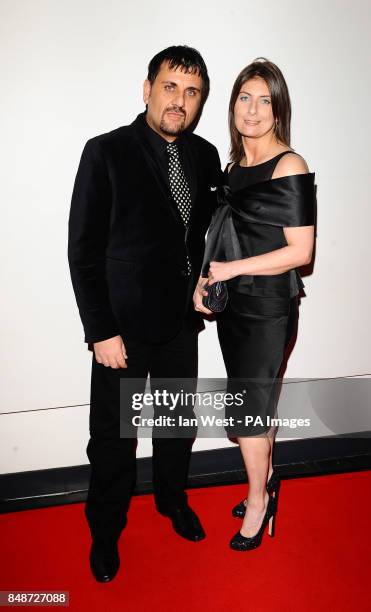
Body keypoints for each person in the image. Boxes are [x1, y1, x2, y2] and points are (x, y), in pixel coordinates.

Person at [68, 45, 222, 581]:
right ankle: (106, 531)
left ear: (200, 100)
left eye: (192, 92)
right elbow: (82, 251)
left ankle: (172, 501)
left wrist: (206, 281)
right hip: (121, 330)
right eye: (170, 87)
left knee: (176, 425)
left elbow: (202, 237)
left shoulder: (204, 157)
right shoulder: (106, 151)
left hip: (181, 322)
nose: (180, 101)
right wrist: (100, 330)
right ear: (147, 89)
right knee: (113, 437)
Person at [194, 58, 315, 551]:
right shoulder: (235, 166)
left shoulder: (289, 165)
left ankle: (258, 500)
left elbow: (300, 252)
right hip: (234, 309)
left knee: (248, 414)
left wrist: (232, 271)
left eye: (266, 100)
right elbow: (227, 235)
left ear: (279, 109)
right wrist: (206, 279)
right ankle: (265, 483)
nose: (254, 109)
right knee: (256, 409)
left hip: (268, 310)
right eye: (245, 97)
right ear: (232, 106)